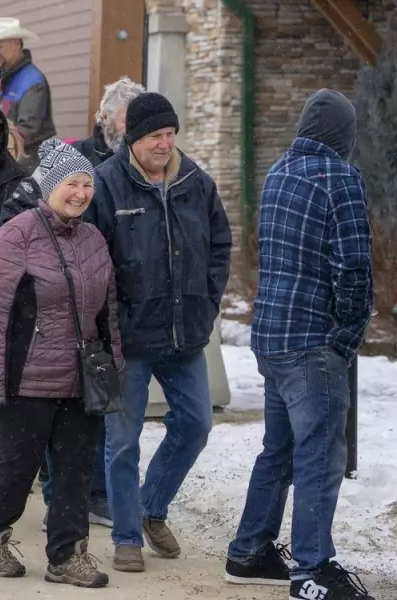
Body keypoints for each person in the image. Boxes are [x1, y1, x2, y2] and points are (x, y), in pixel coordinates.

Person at [225, 90, 375, 600]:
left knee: (281, 449)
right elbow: (353, 267)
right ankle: (312, 570)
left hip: (272, 337)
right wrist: (347, 336)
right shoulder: (340, 178)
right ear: (345, 136)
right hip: (313, 342)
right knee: (320, 457)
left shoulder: (280, 171)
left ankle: (248, 552)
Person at [86, 92, 232, 573]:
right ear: (134, 138)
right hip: (127, 338)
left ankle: (152, 506)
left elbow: (219, 246)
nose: (165, 144)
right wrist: (106, 320)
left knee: (195, 425)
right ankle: (127, 535)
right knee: (122, 441)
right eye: (155, 136)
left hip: (184, 333)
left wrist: (207, 302)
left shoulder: (196, 182)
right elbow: (90, 259)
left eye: (170, 135)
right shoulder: (106, 185)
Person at [0, 140, 122, 588]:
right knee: (18, 465)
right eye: (72, 183)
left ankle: (66, 556)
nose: (80, 193)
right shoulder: (16, 234)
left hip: (80, 379)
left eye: (87, 184)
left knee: (75, 469)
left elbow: (107, 312)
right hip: (26, 379)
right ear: (50, 185)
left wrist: (113, 371)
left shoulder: (93, 238)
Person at [0, 18, 56, 170]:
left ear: (16, 43)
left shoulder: (33, 81)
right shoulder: (0, 79)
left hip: (29, 167)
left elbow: (27, 132)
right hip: (8, 163)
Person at [73, 77, 146, 167]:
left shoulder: (150, 157)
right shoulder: (76, 156)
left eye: (140, 121)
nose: (134, 128)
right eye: (127, 121)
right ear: (105, 117)